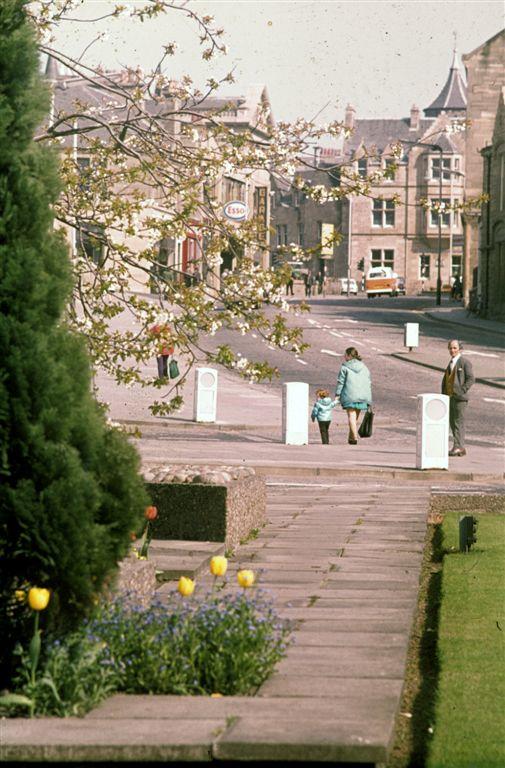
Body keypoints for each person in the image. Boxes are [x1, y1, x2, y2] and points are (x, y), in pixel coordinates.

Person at [441, 339, 474, 456]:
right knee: (452, 422)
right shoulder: (451, 362)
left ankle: (458, 446)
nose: (452, 350)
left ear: (460, 349)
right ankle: (460, 447)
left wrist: (462, 390)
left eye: (454, 348)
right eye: (450, 348)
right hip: (450, 397)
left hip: (460, 398)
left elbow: (471, 379)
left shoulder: (464, 362)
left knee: (458, 422)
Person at [335, 347, 372, 445]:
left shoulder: (344, 367)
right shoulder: (364, 367)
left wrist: (337, 394)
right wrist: (369, 398)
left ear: (349, 356)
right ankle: (351, 438)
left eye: (345, 354)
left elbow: (340, 382)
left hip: (350, 395)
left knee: (351, 416)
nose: (344, 356)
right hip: (362, 396)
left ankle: (354, 437)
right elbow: (368, 382)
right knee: (355, 418)